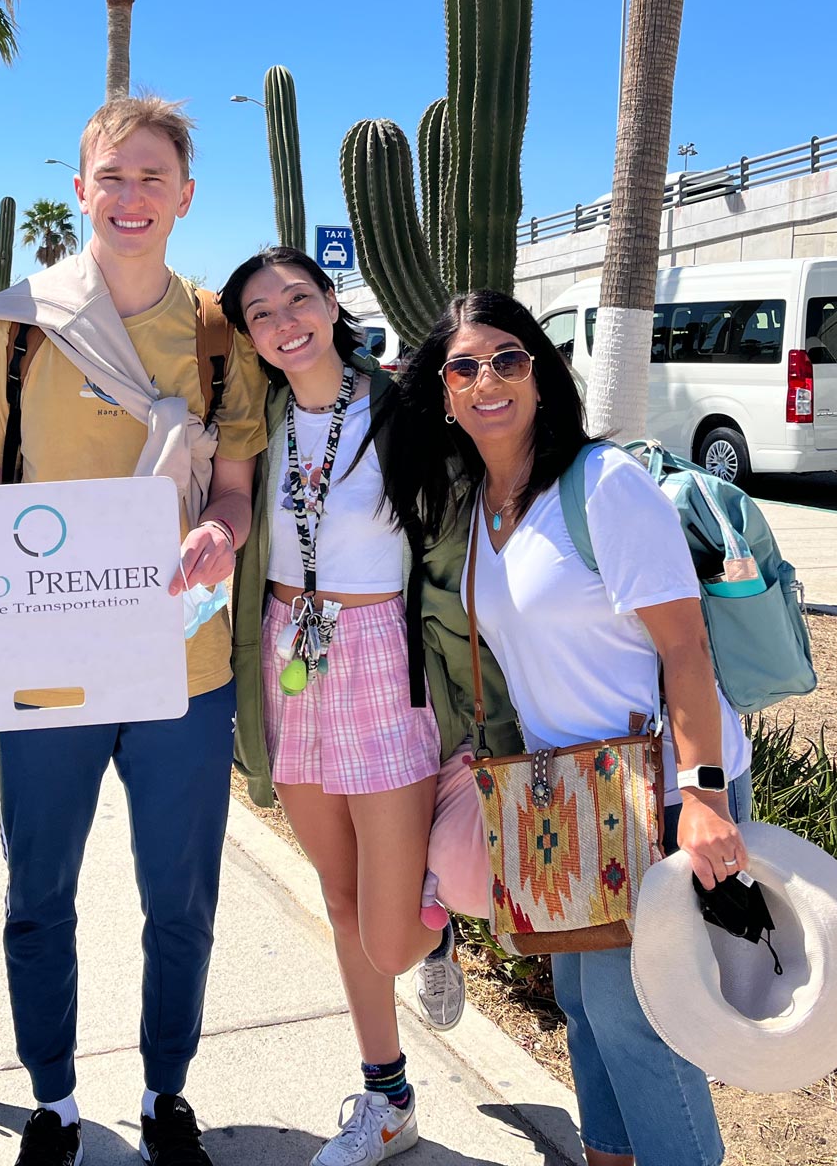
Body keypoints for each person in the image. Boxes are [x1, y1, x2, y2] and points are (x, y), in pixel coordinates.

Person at [0, 96, 267, 1166]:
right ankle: (52, 1103)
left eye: (154, 179)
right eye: (114, 177)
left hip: (180, 667)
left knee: (178, 898)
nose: (132, 197)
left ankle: (162, 1096)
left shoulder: (220, 335)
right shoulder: (15, 324)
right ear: (80, 189)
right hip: (44, 665)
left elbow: (234, 494)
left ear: (185, 197)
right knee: (38, 890)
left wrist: (221, 540)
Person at [385, 290, 750, 1166]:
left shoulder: (604, 486)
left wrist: (699, 799)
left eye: (508, 359)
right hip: (567, 797)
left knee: (639, 1023)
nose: (487, 381)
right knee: (586, 1010)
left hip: (656, 788)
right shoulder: (480, 506)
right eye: (464, 367)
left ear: (543, 374)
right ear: (443, 392)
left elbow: (686, 649)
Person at [221, 247, 465, 1166]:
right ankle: (388, 1095)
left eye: (298, 299)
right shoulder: (262, 423)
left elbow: (458, 540)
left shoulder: (402, 412)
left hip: (380, 663)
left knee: (391, 934)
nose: (285, 321)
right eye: (261, 314)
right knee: (340, 896)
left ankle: (442, 917)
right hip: (293, 655)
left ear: (331, 303)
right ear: (250, 337)